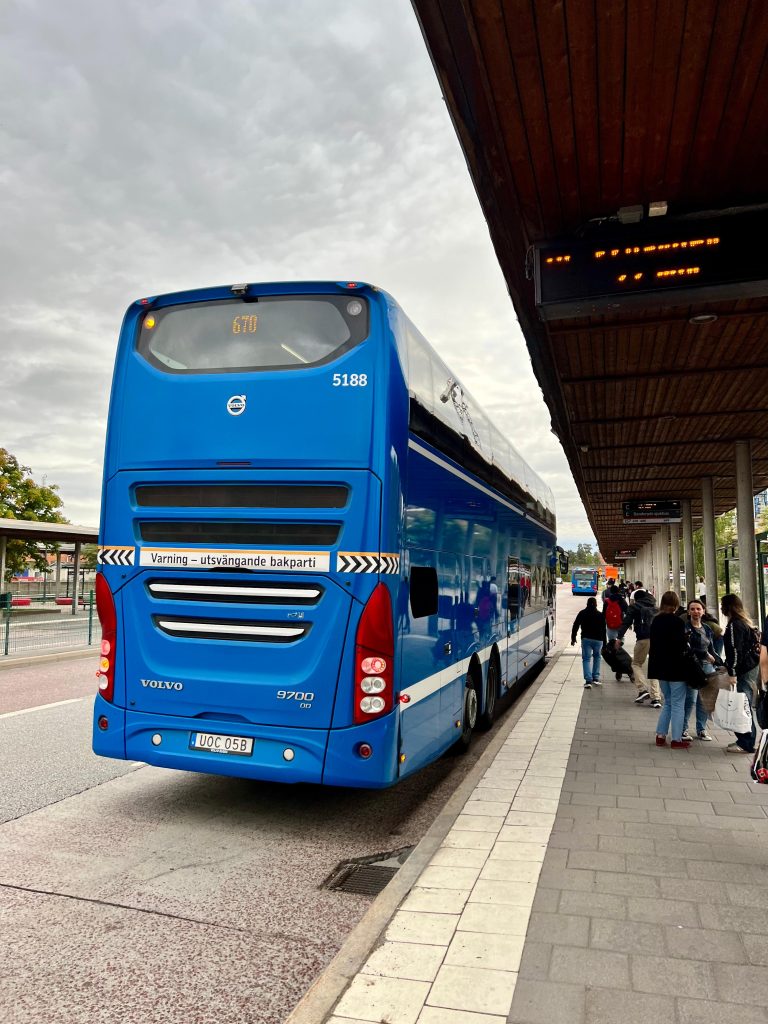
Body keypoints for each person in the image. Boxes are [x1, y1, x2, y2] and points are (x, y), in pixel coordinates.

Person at [648, 590, 694, 748]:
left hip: (660, 668)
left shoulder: (655, 621)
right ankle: (676, 739)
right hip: (676, 669)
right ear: (675, 605)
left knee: (667, 702)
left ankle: (660, 736)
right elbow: (680, 646)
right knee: (678, 704)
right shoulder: (678, 622)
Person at [721, 593, 760, 754]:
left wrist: (732, 672)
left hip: (744, 669)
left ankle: (746, 742)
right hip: (751, 667)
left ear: (728, 607)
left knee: (743, 706)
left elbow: (734, 651)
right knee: (745, 705)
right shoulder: (743, 623)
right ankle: (745, 740)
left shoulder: (734, 626)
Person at [617, 582, 662, 709]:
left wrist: (619, 638)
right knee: (654, 668)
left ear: (636, 599)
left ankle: (643, 690)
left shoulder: (635, 607)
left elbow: (626, 623)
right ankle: (656, 698)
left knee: (636, 664)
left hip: (642, 639)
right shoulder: (655, 607)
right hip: (657, 640)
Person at [683, 599, 717, 741]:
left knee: (704, 700)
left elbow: (711, 649)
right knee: (690, 699)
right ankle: (683, 728)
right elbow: (686, 648)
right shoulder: (686, 628)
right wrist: (704, 654)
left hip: (708, 667)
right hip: (693, 667)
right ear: (688, 612)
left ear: (703, 611)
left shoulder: (707, 628)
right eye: (692, 609)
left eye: (698, 609)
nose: (696, 612)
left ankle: (701, 729)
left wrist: (719, 662)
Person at [571, 597, 606, 689]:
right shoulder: (600, 615)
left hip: (586, 639)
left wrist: (573, 638)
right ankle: (596, 678)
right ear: (596, 604)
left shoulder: (582, 613)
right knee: (597, 657)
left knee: (586, 659)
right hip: (598, 640)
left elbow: (575, 625)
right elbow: (604, 629)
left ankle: (588, 680)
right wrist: (605, 643)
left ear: (587, 604)